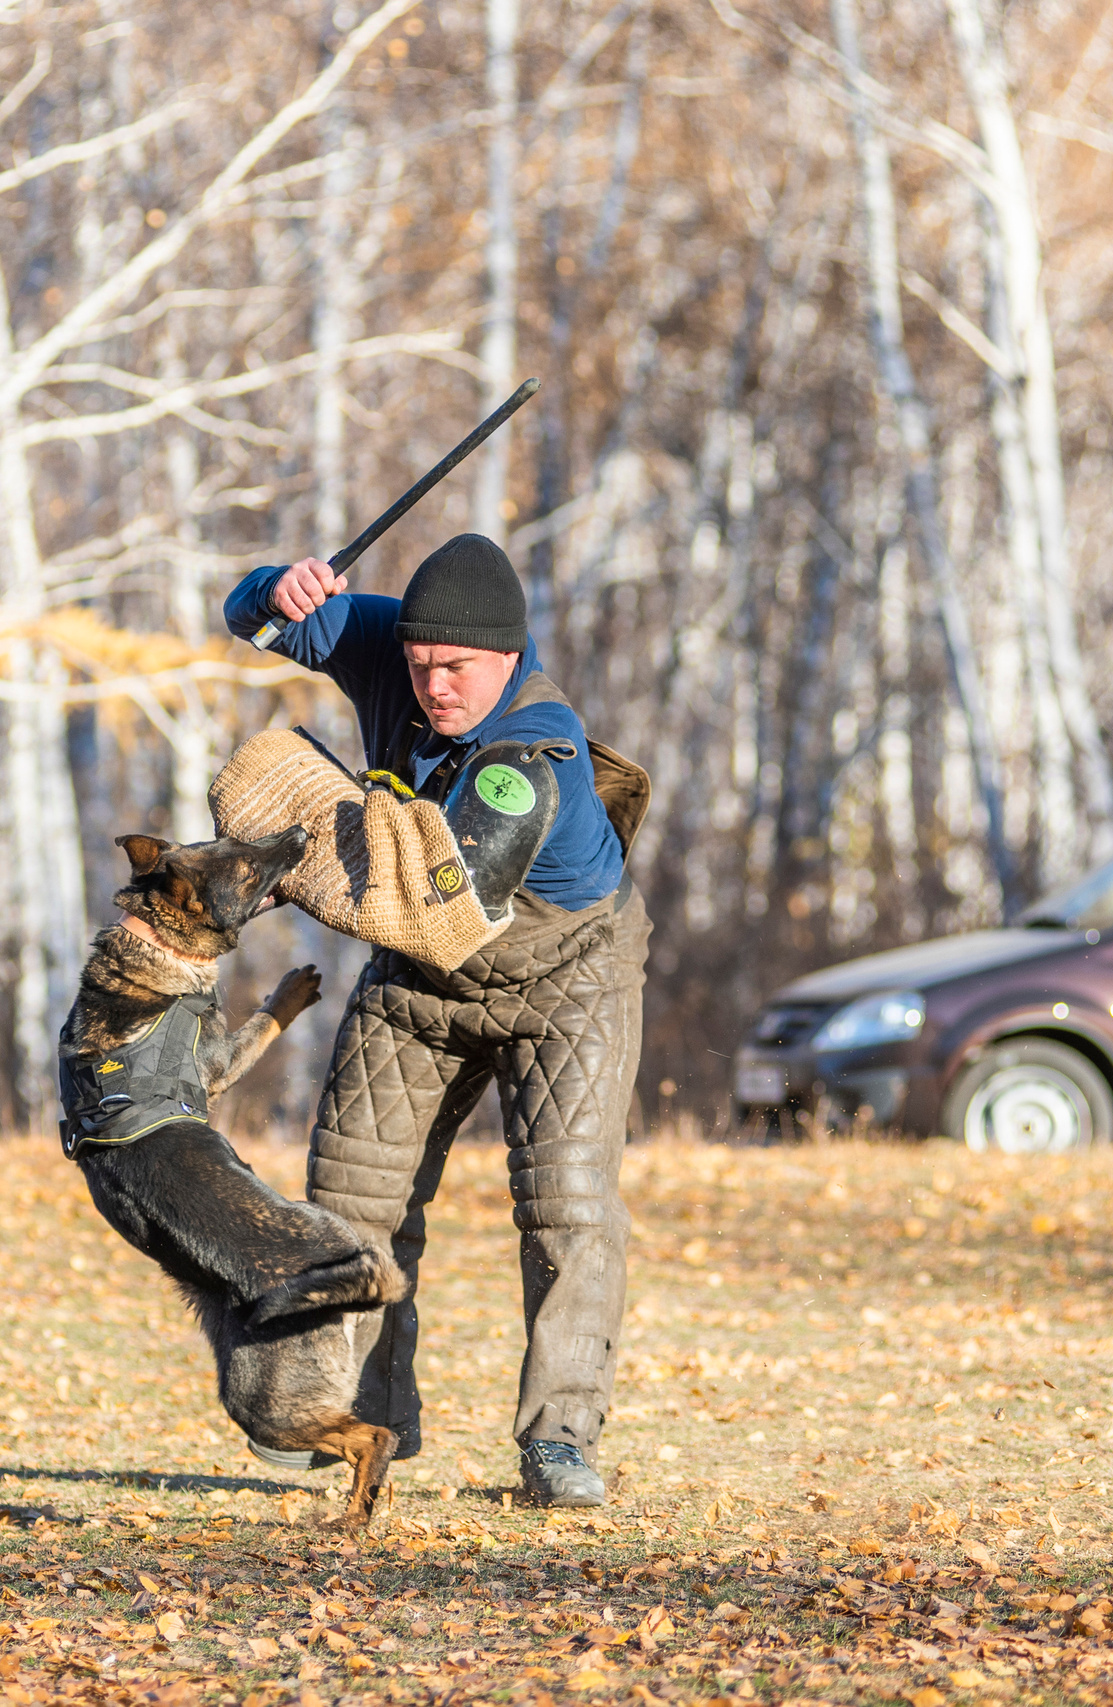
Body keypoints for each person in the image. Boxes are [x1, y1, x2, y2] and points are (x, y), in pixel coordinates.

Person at [223, 534, 649, 1508]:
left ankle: (558, 1443)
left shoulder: (539, 758)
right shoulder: (397, 646)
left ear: (507, 655)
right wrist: (275, 588)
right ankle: (353, 1418)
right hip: (419, 982)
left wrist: (312, 835)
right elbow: (246, 621)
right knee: (349, 1197)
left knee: (566, 1206)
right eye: (418, 667)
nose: (432, 688)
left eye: (455, 669)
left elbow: (441, 904)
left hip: (563, 979)